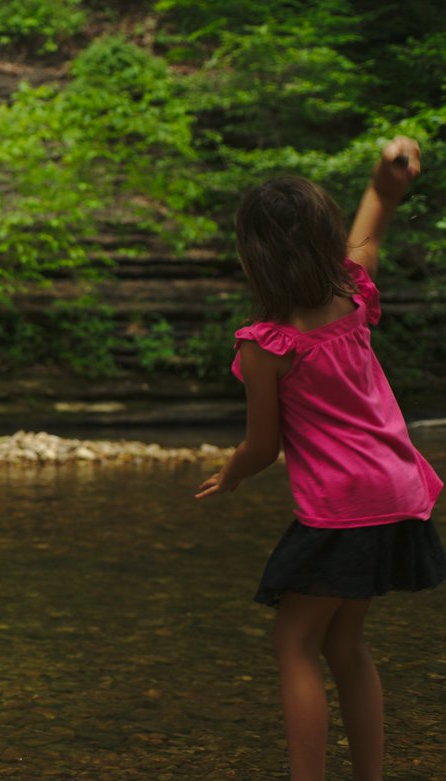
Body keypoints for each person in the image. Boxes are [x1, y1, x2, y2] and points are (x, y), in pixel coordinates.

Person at [195, 137, 446, 781]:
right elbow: (378, 213)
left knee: (294, 642)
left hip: (344, 507)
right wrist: (390, 171)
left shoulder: (267, 344)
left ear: (255, 257)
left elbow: (263, 445)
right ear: (321, 237)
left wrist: (230, 475)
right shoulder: (352, 295)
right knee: (343, 642)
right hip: (399, 491)